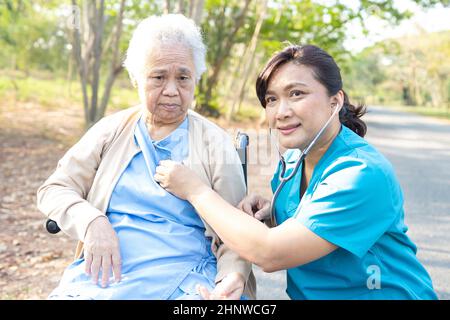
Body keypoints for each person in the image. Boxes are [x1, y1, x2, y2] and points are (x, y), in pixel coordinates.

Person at [155, 44, 438, 300]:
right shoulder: (293, 160)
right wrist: (271, 215)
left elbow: (270, 253)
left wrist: (195, 190)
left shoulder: (361, 173)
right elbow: (309, 229)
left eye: (296, 94)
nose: (281, 111)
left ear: (335, 100)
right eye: (271, 99)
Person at [37, 14, 255, 300]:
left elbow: (236, 231)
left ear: (196, 79)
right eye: (158, 77)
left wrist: (231, 277)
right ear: (136, 79)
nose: (172, 90)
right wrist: (91, 222)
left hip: (187, 277)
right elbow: (53, 189)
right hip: (104, 274)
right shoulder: (110, 130)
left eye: (183, 77)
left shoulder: (214, 142)